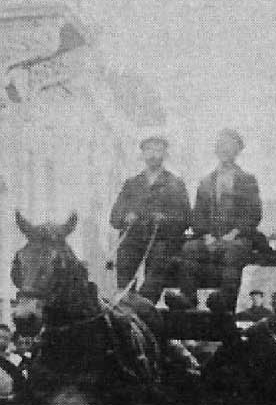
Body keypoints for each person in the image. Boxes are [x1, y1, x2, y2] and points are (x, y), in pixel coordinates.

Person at [179, 129, 264, 311]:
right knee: (189, 249)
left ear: (237, 151)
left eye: (230, 146)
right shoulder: (206, 181)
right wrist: (206, 235)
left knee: (233, 252)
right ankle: (188, 300)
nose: (225, 150)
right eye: (221, 145)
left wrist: (234, 233)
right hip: (211, 238)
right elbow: (198, 215)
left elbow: (254, 214)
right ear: (216, 150)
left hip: (236, 239)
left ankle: (224, 304)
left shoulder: (247, 180)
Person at [108, 133, 191, 301]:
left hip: (162, 240)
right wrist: (126, 217)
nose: (153, 155)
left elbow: (186, 218)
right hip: (133, 239)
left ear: (165, 154)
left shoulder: (175, 184)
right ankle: (126, 299)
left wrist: (165, 219)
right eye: (149, 150)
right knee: (125, 256)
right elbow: (114, 217)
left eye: (158, 150)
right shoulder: (132, 184)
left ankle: (144, 305)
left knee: (157, 266)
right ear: (143, 154)